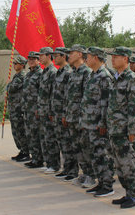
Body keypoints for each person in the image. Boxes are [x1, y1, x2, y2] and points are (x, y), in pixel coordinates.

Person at [107, 47, 135, 208]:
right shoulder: (117, 77)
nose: (113, 60)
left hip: (125, 130)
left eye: (116, 57)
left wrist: (132, 130)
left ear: (126, 59)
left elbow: (134, 106)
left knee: (129, 163)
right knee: (120, 165)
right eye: (112, 57)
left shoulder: (131, 78)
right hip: (115, 129)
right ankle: (128, 192)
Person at [80, 47, 115, 197]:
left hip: (98, 124)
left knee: (103, 155)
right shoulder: (92, 75)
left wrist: (103, 123)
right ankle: (100, 182)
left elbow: (107, 103)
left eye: (88, 56)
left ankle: (107, 185)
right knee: (94, 155)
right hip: (89, 123)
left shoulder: (104, 76)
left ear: (96, 58)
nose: (86, 59)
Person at [63, 44, 96, 187]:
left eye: (72, 53)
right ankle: (85, 173)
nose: (69, 55)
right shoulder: (73, 72)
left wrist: (84, 119)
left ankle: (91, 176)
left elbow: (87, 98)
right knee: (77, 148)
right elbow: (69, 97)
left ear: (80, 54)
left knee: (86, 148)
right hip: (72, 117)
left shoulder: (86, 72)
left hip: (81, 119)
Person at [50, 47, 73, 179]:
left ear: (63, 56)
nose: (54, 58)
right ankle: (66, 168)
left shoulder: (68, 73)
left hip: (64, 114)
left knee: (67, 143)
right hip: (57, 113)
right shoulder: (59, 72)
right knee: (62, 142)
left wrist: (65, 114)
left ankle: (72, 170)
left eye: (56, 56)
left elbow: (68, 96)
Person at [37, 47, 59, 173]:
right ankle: (49, 162)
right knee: (45, 137)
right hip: (43, 110)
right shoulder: (45, 71)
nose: (40, 57)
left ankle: (54, 164)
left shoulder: (52, 72)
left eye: (42, 55)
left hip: (49, 111)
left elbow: (52, 94)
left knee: (51, 138)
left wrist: (51, 111)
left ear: (49, 56)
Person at [22, 51, 44, 169]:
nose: (31, 61)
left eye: (33, 59)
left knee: (36, 135)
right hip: (27, 109)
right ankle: (34, 157)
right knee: (30, 135)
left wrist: (38, 108)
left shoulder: (40, 74)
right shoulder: (28, 74)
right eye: (29, 59)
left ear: (38, 60)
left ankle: (39, 159)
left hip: (35, 110)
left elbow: (41, 93)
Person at [7, 55, 30, 162]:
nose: (14, 65)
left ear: (22, 65)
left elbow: (11, 88)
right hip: (14, 108)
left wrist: (9, 86)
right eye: (14, 63)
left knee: (21, 130)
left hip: (19, 108)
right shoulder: (17, 76)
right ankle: (22, 150)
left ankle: (26, 151)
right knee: (16, 131)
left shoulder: (22, 76)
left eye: (16, 63)